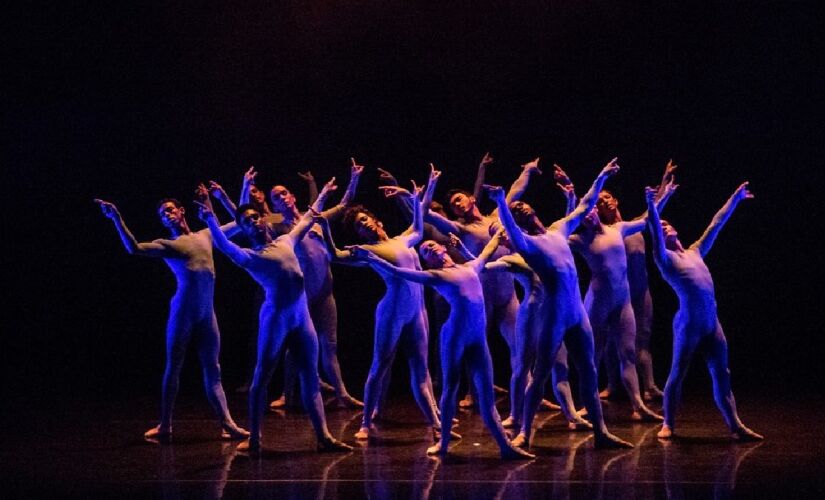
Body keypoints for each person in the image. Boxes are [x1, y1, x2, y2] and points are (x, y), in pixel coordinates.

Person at [349, 213, 534, 459]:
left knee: (487, 397)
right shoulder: (435, 277)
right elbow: (399, 271)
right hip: (454, 336)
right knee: (450, 388)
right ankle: (443, 442)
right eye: (425, 249)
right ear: (427, 261)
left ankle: (505, 445)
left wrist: (500, 233)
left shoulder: (470, 266)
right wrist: (372, 257)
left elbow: (488, 251)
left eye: (431, 244)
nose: (429, 246)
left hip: (478, 339)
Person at [196, 178, 352, 453]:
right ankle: (255, 438)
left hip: (301, 318)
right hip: (275, 320)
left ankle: (324, 436)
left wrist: (323, 194)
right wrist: (210, 217)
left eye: (256, 217)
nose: (254, 222)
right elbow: (222, 244)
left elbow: (304, 221)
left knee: (310, 376)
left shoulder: (284, 241)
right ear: (243, 229)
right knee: (262, 378)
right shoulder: (248, 256)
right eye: (247, 222)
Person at [487, 157, 633, 450]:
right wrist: (503, 203)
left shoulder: (559, 230)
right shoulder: (526, 245)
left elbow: (584, 205)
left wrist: (602, 176)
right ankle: (524, 431)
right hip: (553, 313)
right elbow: (512, 232)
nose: (522, 208)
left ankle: (601, 431)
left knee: (589, 370)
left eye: (522, 205)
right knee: (541, 372)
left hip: (577, 311)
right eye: (517, 211)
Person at [94, 196, 248, 442]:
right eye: (162, 215)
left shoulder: (206, 235)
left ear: (181, 210)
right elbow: (134, 248)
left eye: (169, 210)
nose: (166, 216)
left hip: (207, 314)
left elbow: (240, 224)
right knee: (173, 366)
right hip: (183, 313)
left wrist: (241, 192)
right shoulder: (167, 244)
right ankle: (165, 424)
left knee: (213, 369)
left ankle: (227, 423)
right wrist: (116, 218)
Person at [644, 183, 762, 441]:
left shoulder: (695, 252)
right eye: (660, 227)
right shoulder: (665, 260)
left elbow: (715, 224)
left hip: (712, 323)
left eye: (667, 224)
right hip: (689, 324)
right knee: (678, 373)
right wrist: (652, 206)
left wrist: (735, 198)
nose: (664, 227)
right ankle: (668, 423)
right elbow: (653, 230)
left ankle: (735, 425)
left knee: (723, 374)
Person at [331, 167, 442, 440]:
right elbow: (335, 255)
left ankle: (437, 423)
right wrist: (322, 227)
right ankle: (366, 422)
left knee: (421, 368)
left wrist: (414, 194)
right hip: (391, 311)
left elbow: (418, 225)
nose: (364, 224)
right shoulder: (368, 250)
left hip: (416, 310)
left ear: (375, 220)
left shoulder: (402, 239)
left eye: (365, 218)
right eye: (358, 224)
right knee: (380, 365)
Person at [425, 154, 541, 407]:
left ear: (472, 198)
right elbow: (430, 215)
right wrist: (419, 193)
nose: (456, 205)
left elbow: (515, 191)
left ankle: (528, 394)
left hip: (508, 296)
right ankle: (474, 394)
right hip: (483, 299)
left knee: (520, 345)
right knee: (478, 346)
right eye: (453, 205)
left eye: (458, 199)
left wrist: (529, 170)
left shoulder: (497, 217)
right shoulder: (462, 229)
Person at [247, 160, 364, 409]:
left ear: (291, 195)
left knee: (329, 344)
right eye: (275, 196)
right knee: (294, 345)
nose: (281, 197)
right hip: (303, 296)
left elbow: (344, 204)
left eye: (284, 193)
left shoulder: (315, 217)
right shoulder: (278, 223)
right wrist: (247, 190)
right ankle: (287, 394)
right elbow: (247, 216)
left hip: (325, 294)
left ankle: (342, 393)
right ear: (274, 204)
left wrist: (353, 178)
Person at [558, 161, 677, 401]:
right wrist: (569, 191)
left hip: (639, 291)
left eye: (607, 198)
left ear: (616, 201)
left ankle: (649, 386)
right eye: (598, 202)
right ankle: (612, 384)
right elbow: (569, 224)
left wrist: (665, 182)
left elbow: (652, 213)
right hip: (614, 293)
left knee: (640, 339)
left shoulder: (626, 227)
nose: (603, 202)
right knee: (611, 341)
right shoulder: (600, 234)